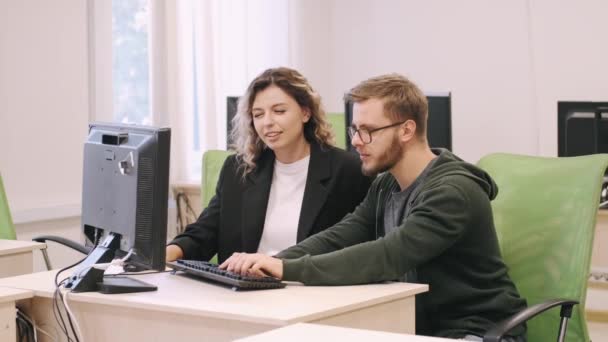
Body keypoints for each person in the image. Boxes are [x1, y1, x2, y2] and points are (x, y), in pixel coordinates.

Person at [219, 73, 528, 341]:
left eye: (368, 130)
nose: (356, 141)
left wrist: (287, 268)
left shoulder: (452, 192)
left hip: (474, 331)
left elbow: (387, 255)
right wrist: (270, 263)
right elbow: (343, 234)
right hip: (413, 326)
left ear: (406, 130)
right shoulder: (387, 184)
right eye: (354, 130)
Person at [166, 67, 372, 263]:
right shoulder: (238, 169)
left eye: (279, 111)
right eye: (258, 114)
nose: (267, 122)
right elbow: (203, 234)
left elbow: (359, 247)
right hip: (243, 292)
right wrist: (161, 255)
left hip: (312, 291)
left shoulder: (348, 170)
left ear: (305, 113)